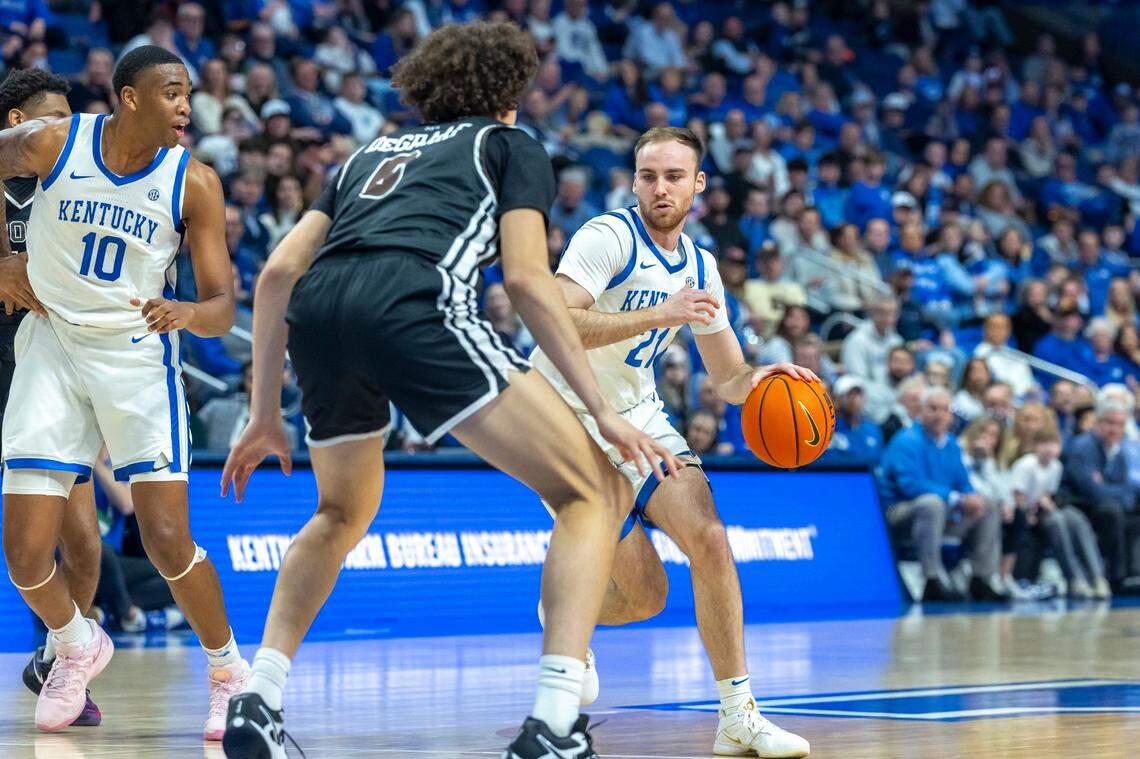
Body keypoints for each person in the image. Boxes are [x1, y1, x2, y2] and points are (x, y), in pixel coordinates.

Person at [219, 23, 679, 759]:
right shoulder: (509, 146)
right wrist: (600, 411)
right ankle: (556, 720)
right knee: (590, 489)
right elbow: (528, 279)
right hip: (417, 306)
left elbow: (275, 274)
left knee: (339, 510)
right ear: (510, 95)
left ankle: (258, 697)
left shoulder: (365, 154)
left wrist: (264, 412)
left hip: (322, 314)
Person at [529, 124, 812, 758]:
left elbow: (729, 376)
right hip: (563, 419)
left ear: (698, 185)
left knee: (710, 538)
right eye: (648, 175)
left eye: (674, 177)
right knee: (645, 593)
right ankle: (563, 610)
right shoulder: (606, 237)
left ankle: (738, 715)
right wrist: (659, 313)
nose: (660, 188)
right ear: (634, 181)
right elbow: (557, 318)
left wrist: (762, 377)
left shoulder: (703, 265)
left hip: (640, 414)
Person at [0, 45, 248, 736]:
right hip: (52, 346)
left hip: (136, 356)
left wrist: (191, 314)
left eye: (189, 93)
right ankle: (78, 644)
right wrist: (0, 258)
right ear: (129, 97)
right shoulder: (55, 139)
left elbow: (224, 304)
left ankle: (229, 670)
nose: (186, 106)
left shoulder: (192, 181)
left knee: (167, 540)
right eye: (172, 92)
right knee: (22, 553)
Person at [0, 67, 104, 727]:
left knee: (86, 544)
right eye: (56, 118)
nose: (70, 133)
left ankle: (61, 655)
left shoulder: (73, 188)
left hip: (46, 372)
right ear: (17, 124)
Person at [878, 387, 1007, 602]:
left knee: (989, 504)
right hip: (899, 512)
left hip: (942, 510)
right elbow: (910, 486)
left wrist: (971, 496)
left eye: (944, 409)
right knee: (932, 503)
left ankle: (982, 578)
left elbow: (963, 483)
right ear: (920, 411)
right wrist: (957, 498)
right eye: (933, 409)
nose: (939, 415)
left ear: (951, 415)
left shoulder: (952, 445)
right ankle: (932, 580)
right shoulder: (906, 440)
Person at [1011, 428, 1110, 599]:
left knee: (1076, 518)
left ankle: (1098, 577)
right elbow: (1017, 495)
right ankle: (1074, 578)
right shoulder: (1027, 465)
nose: (1049, 449)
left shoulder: (1056, 466)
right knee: (1057, 520)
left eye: (1054, 444)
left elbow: (1047, 494)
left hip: (1040, 510)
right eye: (1044, 444)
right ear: (1035, 446)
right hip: (1022, 513)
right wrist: (1028, 513)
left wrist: (1045, 503)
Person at [1061, 399, 1140, 595]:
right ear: (1098, 422)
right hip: (1079, 505)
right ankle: (1116, 577)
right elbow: (1092, 491)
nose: (1114, 429)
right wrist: (1119, 491)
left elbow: (1129, 489)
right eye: (1110, 423)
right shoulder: (1083, 447)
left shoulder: (1120, 449)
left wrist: (1114, 490)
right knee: (1111, 511)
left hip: (1110, 504)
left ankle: (1135, 572)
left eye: (1120, 425)